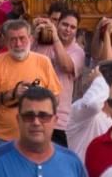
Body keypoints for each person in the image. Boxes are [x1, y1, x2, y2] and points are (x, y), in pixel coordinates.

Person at [0, 20, 62, 145]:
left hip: (36, 136)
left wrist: (37, 96)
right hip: (3, 138)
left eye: (22, 38)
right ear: (5, 41)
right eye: (13, 39)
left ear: (31, 39)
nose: (18, 44)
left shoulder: (44, 61)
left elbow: (57, 98)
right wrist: (11, 95)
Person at [31, 10, 85, 146]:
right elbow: (22, 59)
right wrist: (33, 34)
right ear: (57, 24)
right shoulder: (41, 42)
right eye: (65, 25)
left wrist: (55, 38)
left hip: (59, 118)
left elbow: (66, 66)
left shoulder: (77, 51)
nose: (68, 30)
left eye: (73, 27)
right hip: (33, 112)